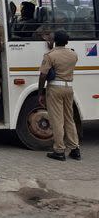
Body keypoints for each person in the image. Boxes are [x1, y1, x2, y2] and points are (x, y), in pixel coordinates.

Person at [38, 30, 80, 161]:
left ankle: (59, 150)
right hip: (69, 87)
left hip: (55, 88)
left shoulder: (50, 55)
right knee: (69, 119)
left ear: (55, 40)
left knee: (57, 120)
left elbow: (43, 74)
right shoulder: (73, 54)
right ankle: (75, 149)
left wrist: (40, 91)